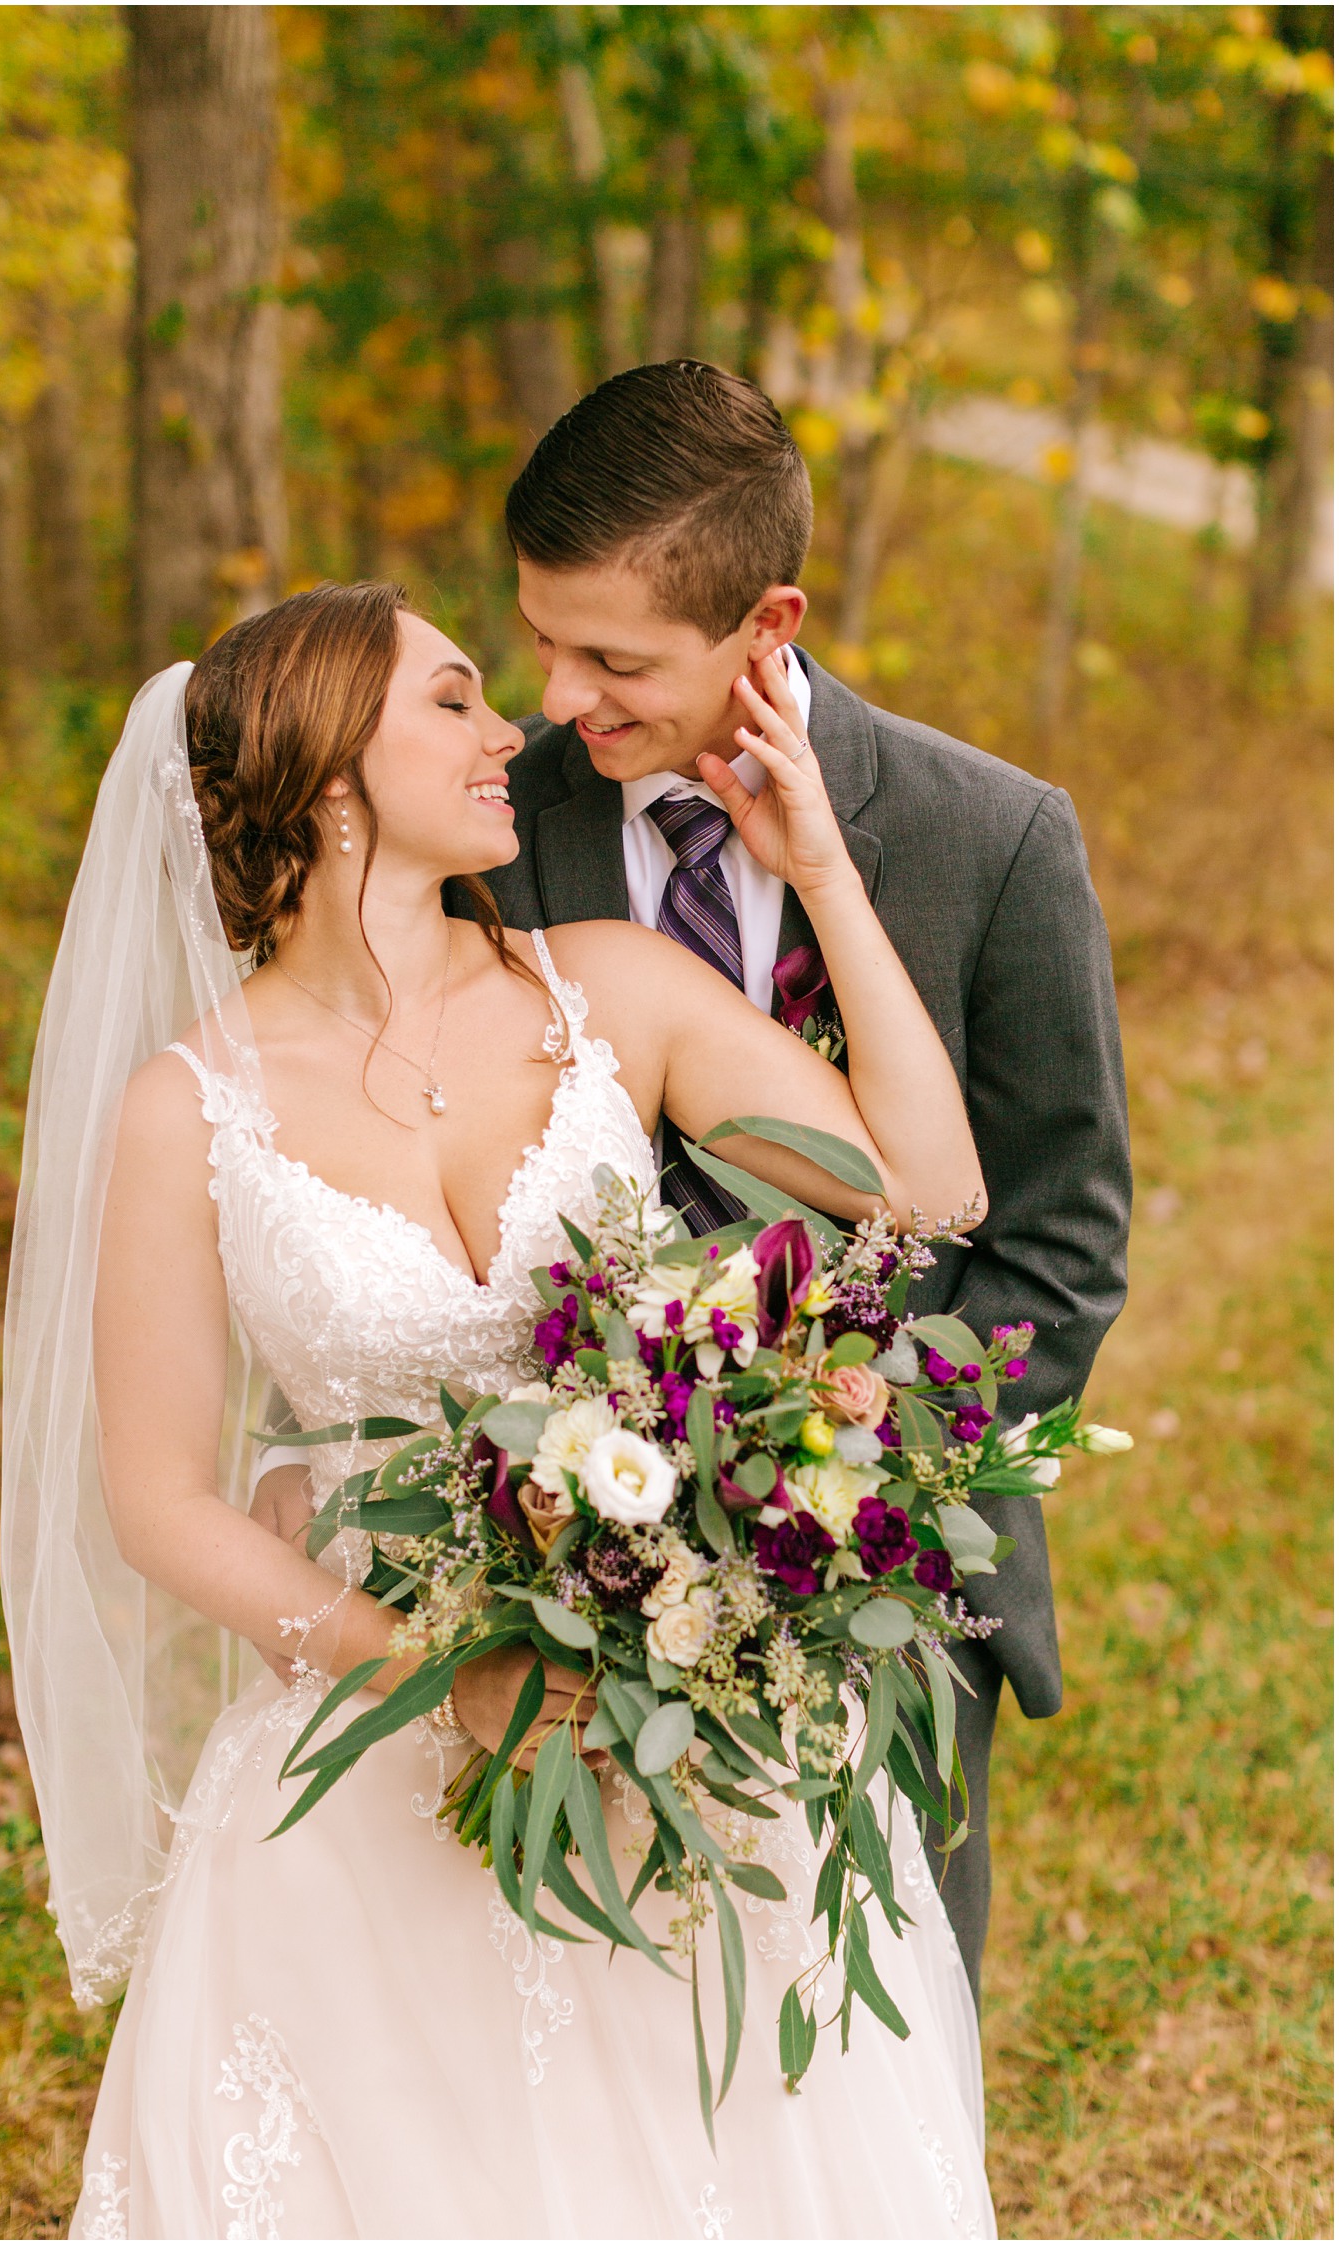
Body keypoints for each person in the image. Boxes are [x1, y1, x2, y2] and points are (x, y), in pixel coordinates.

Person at [4, 578, 1000, 2238]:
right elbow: (161, 1494)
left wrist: (815, 860)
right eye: (455, 702)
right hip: (379, 1712)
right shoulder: (187, 1108)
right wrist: (445, 1673)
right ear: (334, 776)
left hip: (685, 1700)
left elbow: (928, 1183)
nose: (514, 732)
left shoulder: (605, 989)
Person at [474, 360, 1131, 2002]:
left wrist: (853, 1476)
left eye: (615, 659)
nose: (559, 696)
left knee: (877, 2019)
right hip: (577, 1563)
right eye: (542, 638)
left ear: (768, 621)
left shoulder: (994, 837)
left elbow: (1059, 1239)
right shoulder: (495, 830)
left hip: (890, 1558)